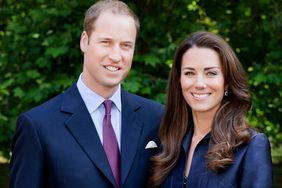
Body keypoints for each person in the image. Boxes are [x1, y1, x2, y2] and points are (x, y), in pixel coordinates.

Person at [9, 1, 164, 188]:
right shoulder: (37, 126)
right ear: (85, 41)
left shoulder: (156, 118)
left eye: (125, 45)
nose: (116, 55)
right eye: (106, 42)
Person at [148, 31, 273, 188]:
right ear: (179, 80)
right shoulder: (166, 142)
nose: (199, 83)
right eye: (189, 73)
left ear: (226, 82)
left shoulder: (251, 146)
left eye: (211, 73)